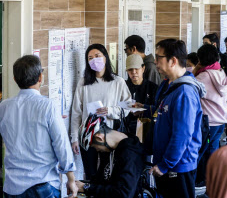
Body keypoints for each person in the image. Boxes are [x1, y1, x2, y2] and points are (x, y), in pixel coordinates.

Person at [0, 55, 78, 197]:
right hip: (43, 186)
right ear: (40, 78)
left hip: (12, 188)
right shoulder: (48, 106)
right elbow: (61, 144)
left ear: (15, 80)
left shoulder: (4, 107)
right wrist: (71, 179)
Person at [150, 39, 205, 198]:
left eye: (159, 57)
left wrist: (165, 165)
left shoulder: (184, 93)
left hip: (178, 166)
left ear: (173, 61)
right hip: (170, 164)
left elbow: (182, 135)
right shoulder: (170, 85)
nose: (156, 62)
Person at [71, 44, 132, 179]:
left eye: (97, 56)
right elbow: (76, 112)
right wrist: (74, 138)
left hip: (109, 136)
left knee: (107, 174)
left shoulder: (118, 81)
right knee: (91, 174)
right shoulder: (83, 82)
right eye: (90, 58)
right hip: (88, 136)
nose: (94, 60)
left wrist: (110, 110)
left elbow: (128, 107)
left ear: (105, 57)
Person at [76, 114, 144, 197]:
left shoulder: (130, 155)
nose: (97, 150)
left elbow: (123, 194)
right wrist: (82, 185)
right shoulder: (111, 149)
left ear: (100, 138)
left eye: (94, 146)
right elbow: (101, 179)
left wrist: (86, 187)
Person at [194, 44, 227, 156]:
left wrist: (196, 68)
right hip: (221, 120)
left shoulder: (203, 77)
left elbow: (188, 88)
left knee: (203, 153)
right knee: (213, 149)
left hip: (209, 122)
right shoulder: (220, 72)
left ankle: (206, 173)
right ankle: (213, 173)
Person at [125, 54, 158, 138]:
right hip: (126, 129)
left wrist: (145, 108)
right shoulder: (123, 87)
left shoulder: (153, 88)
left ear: (143, 69)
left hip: (147, 129)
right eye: (130, 70)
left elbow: (158, 109)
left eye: (136, 69)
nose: (134, 72)